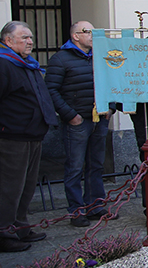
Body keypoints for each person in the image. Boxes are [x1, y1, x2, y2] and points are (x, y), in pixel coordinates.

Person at [0, 21, 59, 252]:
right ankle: (2, 234)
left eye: (31, 37)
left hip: (30, 134)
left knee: (26, 186)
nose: (30, 41)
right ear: (8, 40)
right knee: (7, 187)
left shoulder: (25, 64)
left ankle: (19, 227)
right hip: (7, 136)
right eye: (24, 37)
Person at [45, 21, 111, 224]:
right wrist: (70, 115)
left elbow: (112, 81)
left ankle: (95, 205)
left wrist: (111, 107)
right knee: (74, 167)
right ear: (75, 36)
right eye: (87, 32)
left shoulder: (100, 57)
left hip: (99, 119)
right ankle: (76, 210)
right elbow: (51, 90)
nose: (92, 35)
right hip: (77, 121)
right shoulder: (60, 59)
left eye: (93, 31)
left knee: (96, 165)